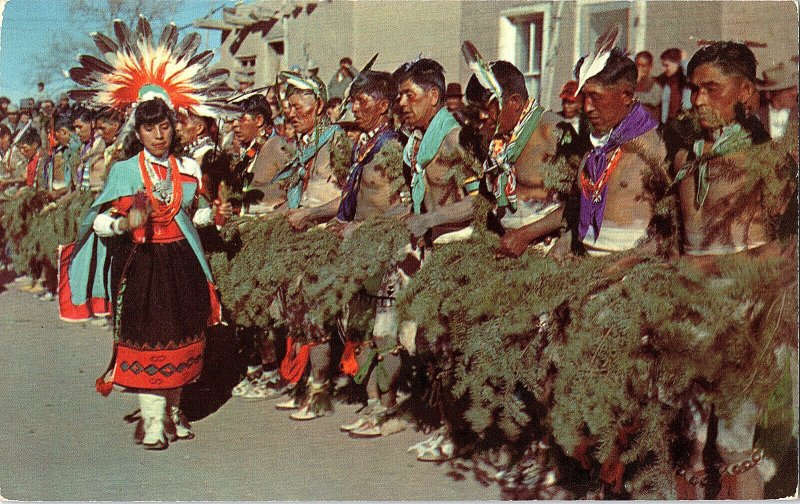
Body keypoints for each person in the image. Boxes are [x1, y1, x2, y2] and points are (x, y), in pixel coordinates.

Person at [670, 42, 796, 499]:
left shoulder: (769, 162)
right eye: (693, 89)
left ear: (744, 92)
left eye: (711, 88)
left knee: (733, 445)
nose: (698, 100)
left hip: (747, 317)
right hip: (688, 314)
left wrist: (710, 264)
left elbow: (782, 254)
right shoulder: (684, 159)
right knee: (690, 444)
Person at [756, 60, 798, 140]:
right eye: (788, 89)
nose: (795, 92)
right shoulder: (754, 114)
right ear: (769, 94)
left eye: (795, 87)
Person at [553, 80, 591, 161]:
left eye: (570, 103)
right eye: (564, 102)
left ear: (580, 103)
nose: (566, 106)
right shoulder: (555, 121)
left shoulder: (589, 123)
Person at [72, 109, 105, 191]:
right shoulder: (84, 147)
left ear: (92, 123)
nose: (77, 132)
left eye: (79, 127)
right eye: (75, 128)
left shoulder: (101, 145)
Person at [656, 48, 691, 123]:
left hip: (684, 122)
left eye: (666, 65)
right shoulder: (665, 80)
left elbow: (690, 73)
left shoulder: (685, 80)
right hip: (668, 124)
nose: (663, 69)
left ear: (677, 63)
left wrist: (684, 61)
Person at [634, 51, 663, 120]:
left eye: (643, 66)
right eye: (637, 65)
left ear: (650, 66)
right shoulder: (630, 83)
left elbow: (654, 101)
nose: (639, 69)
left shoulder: (655, 86)